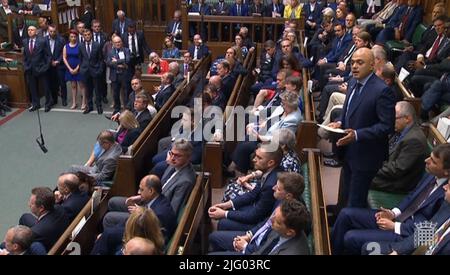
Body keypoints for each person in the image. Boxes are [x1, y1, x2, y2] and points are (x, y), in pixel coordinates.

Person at [331, 143, 450, 255]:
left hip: (407, 233)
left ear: (446, 172)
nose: (426, 161)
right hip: (400, 218)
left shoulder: (446, 197)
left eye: (433, 161)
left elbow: (430, 229)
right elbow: (412, 196)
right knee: (346, 214)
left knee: (351, 238)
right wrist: (393, 213)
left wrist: (395, 227)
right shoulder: (431, 174)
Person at [328, 47, 395, 208]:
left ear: (372, 65)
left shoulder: (382, 91)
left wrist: (357, 134)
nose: (355, 66)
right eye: (352, 63)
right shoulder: (352, 82)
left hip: (366, 154)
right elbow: (349, 110)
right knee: (345, 190)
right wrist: (340, 122)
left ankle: (347, 230)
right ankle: (339, 214)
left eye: (360, 62)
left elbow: (387, 126)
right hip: (348, 148)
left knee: (355, 199)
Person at [210, 144, 282, 231]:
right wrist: (226, 205)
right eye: (255, 155)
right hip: (257, 208)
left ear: (270, 163)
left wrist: (224, 214)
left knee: (223, 224)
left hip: (261, 224)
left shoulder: (271, 185)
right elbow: (252, 194)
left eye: (259, 158)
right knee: (230, 207)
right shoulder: (269, 171)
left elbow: (254, 217)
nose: (254, 159)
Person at [370, 101, 428, 194]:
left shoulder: (414, 140)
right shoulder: (399, 130)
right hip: (387, 169)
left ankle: (352, 207)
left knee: (357, 174)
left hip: (397, 183)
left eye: (394, 118)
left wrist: (371, 167)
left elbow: (397, 170)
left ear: (407, 119)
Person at [102, 175, 176, 242]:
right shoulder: (159, 197)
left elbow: (147, 234)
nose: (138, 192)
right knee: (113, 202)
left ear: (151, 191)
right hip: (143, 214)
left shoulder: (159, 214)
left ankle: (110, 241)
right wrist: (141, 198)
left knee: (108, 219)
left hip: (141, 234)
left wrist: (140, 214)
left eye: (141, 190)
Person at [160, 139, 197, 216]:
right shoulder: (174, 165)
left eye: (177, 155)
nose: (172, 158)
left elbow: (172, 211)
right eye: (171, 154)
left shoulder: (185, 181)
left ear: (188, 157)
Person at [23, 25, 51, 112]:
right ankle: (36, 104)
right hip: (30, 69)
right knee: (33, 88)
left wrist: (46, 66)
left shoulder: (42, 41)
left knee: (46, 87)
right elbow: (25, 56)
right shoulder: (25, 41)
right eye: (28, 30)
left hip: (41, 68)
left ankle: (48, 104)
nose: (30, 31)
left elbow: (48, 55)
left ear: (36, 32)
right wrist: (26, 65)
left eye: (32, 30)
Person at [79, 28, 104, 114]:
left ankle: (99, 106)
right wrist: (82, 69)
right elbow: (80, 59)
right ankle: (89, 106)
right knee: (88, 90)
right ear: (83, 36)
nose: (87, 36)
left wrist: (100, 69)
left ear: (91, 35)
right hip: (85, 71)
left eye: (88, 34)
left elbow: (101, 59)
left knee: (97, 90)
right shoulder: (80, 46)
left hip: (95, 70)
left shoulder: (97, 45)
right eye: (85, 35)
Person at [63, 29, 85, 110]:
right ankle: (74, 103)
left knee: (82, 85)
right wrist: (69, 68)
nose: (73, 38)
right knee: (73, 86)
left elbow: (82, 58)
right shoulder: (66, 46)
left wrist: (77, 68)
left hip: (78, 68)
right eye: (71, 37)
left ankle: (84, 102)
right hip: (70, 69)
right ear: (69, 37)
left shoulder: (80, 46)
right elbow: (64, 58)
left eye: (75, 37)